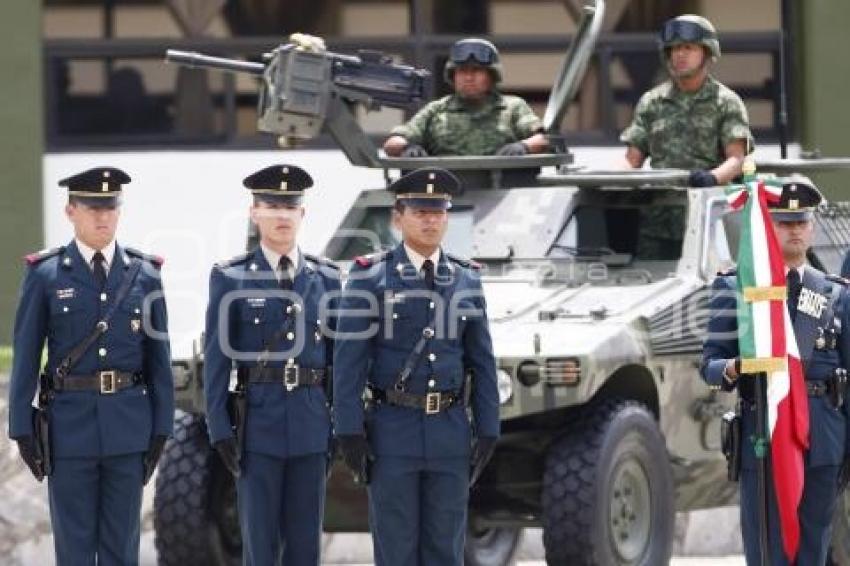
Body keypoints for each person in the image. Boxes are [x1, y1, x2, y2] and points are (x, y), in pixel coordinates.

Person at [333, 167, 500, 565]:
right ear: (398, 216)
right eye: (420, 211)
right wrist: (349, 431)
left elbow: (482, 361)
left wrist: (489, 428)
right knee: (397, 550)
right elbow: (348, 365)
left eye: (438, 211)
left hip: (450, 434)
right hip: (392, 434)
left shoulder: (466, 279)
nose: (430, 220)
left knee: (446, 549)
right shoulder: (368, 278)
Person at [8, 166, 173, 565]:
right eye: (91, 207)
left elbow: (159, 362)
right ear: (70, 212)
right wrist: (21, 429)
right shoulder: (46, 275)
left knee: (122, 550)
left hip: (128, 431)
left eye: (110, 207)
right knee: (75, 550)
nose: (102, 216)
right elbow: (26, 357)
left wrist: (161, 429)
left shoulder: (144, 274)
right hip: (69, 432)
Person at [701, 176, 850, 564]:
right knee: (766, 547)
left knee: (813, 546)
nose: (795, 230)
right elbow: (710, 364)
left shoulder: (836, 294)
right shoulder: (736, 290)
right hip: (762, 435)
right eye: (784, 223)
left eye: (802, 222)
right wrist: (736, 366)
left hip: (823, 437)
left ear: (812, 228)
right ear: (768, 228)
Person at [203, 164, 340, 565]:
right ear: (254, 212)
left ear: (302, 214)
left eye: (290, 207)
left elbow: (338, 361)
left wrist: (340, 423)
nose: (281, 215)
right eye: (271, 205)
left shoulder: (327, 278)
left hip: (312, 425)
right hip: (256, 427)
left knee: (305, 548)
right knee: (259, 546)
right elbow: (216, 360)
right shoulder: (231, 278)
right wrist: (219, 428)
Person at [621, 15, 755, 187]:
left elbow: (737, 160)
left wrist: (712, 178)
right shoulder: (652, 102)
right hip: (660, 206)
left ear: (707, 52)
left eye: (688, 47)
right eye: (675, 48)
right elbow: (632, 160)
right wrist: (605, 181)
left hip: (708, 205)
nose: (680, 54)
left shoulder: (726, 102)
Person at [383, 38, 548, 157]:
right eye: (462, 71)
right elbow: (392, 143)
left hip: (504, 189)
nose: (468, 78)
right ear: (453, 76)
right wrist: (407, 147)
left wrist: (524, 146)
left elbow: (544, 139)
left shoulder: (513, 107)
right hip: (447, 191)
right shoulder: (436, 110)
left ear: (491, 76)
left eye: (476, 71)